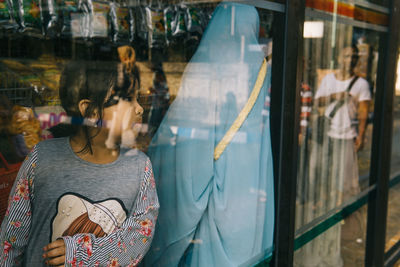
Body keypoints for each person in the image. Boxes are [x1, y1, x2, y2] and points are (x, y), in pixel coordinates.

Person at [144, 2, 274, 266]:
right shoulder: (262, 67)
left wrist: (152, 150)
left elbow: (188, 154)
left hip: (218, 201)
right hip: (252, 197)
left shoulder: (209, 66)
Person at [0, 59, 159, 266]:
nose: (139, 109)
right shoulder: (42, 158)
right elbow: (12, 239)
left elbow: (139, 236)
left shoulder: (139, 167)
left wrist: (82, 252)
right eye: (128, 99)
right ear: (90, 111)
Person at [297, 46, 371, 267]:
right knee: (317, 176)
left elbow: (364, 110)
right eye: (346, 55)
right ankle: (317, 212)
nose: (349, 60)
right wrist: (336, 96)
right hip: (326, 136)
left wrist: (361, 135)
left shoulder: (361, 84)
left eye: (353, 56)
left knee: (345, 184)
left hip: (346, 137)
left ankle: (344, 225)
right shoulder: (329, 79)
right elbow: (317, 102)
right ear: (339, 57)